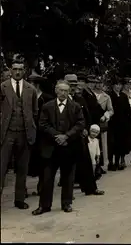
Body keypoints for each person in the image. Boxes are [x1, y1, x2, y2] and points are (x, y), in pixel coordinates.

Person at [33, 80, 85, 215]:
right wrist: (57, 136)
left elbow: (80, 124)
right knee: (47, 178)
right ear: (56, 90)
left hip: (69, 146)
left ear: (69, 92)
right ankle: (44, 205)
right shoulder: (47, 106)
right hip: (51, 147)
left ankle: (66, 203)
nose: (63, 93)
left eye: (66, 91)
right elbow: (42, 124)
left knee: (68, 176)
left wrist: (66, 136)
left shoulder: (76, 107)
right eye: (61, 90)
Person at [0, 57, 39, 210]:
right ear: (10, 70)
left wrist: (31, 127)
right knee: (1, 168)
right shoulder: (2, 87)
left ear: (24, 71)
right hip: (7, 133)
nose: (17, 72)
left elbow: (35, 111)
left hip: (25, 133)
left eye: (20, 69)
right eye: (14, 69)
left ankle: (19, 199)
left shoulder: (31, 89)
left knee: (23, 168)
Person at [26, 73, 54, 196]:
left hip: (43, 135)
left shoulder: (47, 98)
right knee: (26, 161)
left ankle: (41, 186)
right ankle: (23, 188)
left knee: (43, 160)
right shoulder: (25, 97)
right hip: (29, 133)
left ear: (37, 85)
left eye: (31, 84)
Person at [108, 78, 131, 170]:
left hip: (123, 123)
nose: (118, 86)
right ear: (113, 86)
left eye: (119, 85)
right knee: (112, 143)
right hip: (113, 123)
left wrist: (128, 122)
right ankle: (111, 163)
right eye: (116, 84)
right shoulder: (109, 95)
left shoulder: (123, 96)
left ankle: (118, 162)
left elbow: (127, 109)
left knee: (121, 143)